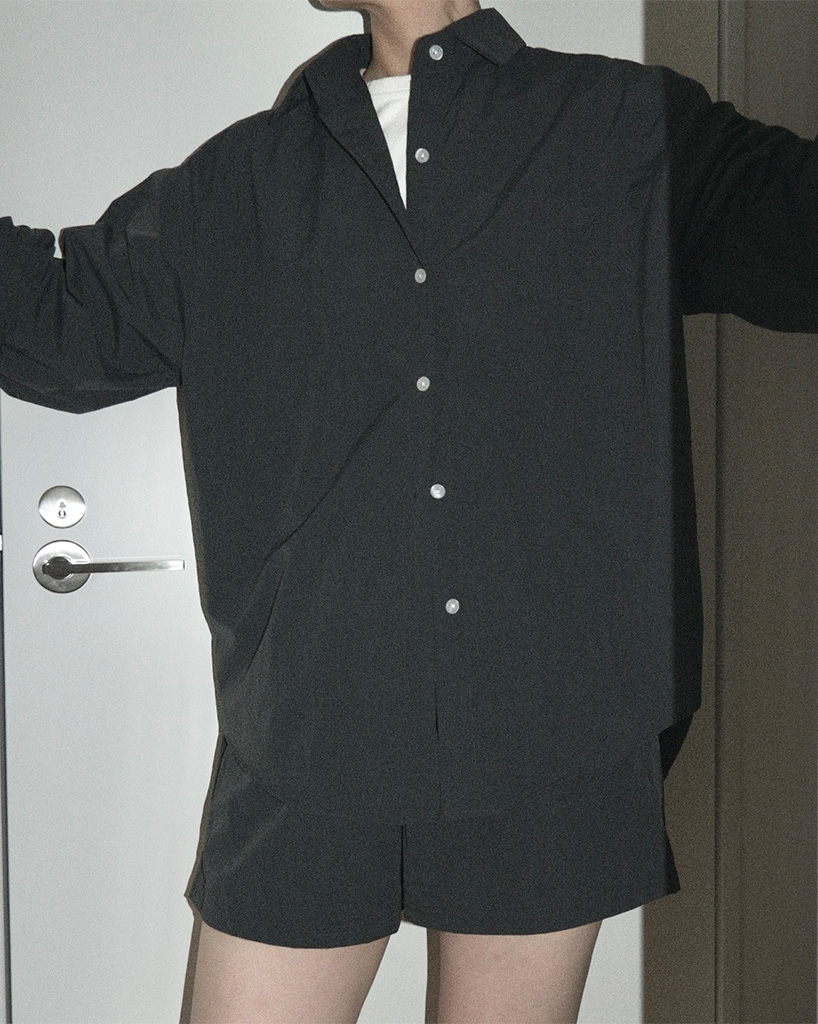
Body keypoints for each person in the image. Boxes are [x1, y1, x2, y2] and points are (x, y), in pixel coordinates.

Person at [1, 0, 816, 1020]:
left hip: (552, 735)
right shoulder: (239, 182)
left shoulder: (622, 127)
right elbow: (53, 322)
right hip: (308, 736)